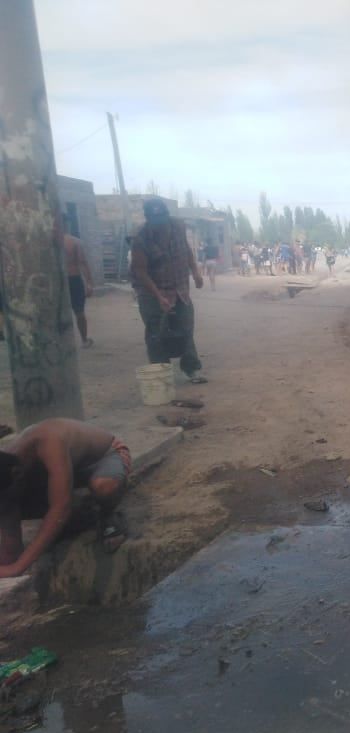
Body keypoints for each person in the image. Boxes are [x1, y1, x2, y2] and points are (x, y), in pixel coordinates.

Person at [0, 419, 131, 578]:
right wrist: (8, 562)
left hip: (103, 457)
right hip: (65, 473)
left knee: (103, 487)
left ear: (17, 474)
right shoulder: (6, 470)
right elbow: (9, 546)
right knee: (10, 502)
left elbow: (60, 508)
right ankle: (81, 516)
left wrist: (18, 567)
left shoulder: (47, 441)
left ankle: (108, 514)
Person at [130, 198, 207, 383]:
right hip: (151, 293)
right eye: (155, 222)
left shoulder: (178, 226)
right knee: (156, 333)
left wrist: (195, 272)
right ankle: (161, 372)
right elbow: (140, 271)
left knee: (186, 329)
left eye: (162, 221)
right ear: (148, 219)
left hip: (180, 289)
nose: (160, 226)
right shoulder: (139, 237)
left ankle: (191, 369)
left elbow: (186, 250)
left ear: (167, 216)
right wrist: (158, 296)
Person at [63, 219, 94, 348]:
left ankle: (61, 342)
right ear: (67, 224)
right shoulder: (74, 241)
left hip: (57, 281)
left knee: (58, 312)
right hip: (73, 278)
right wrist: (89, 283)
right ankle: (84, 340)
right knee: (79, 311)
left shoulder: (48, 242)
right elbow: (82, 262)